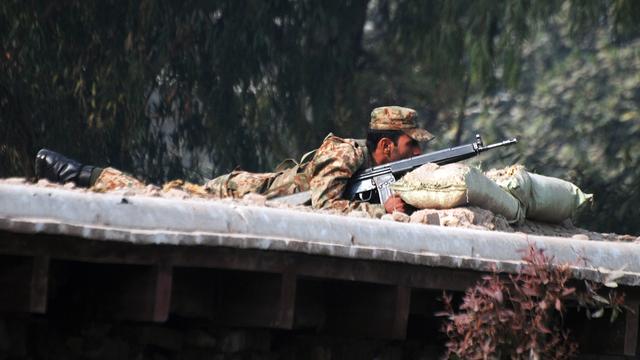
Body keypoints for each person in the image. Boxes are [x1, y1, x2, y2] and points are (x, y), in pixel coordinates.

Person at [35, 106, 434, 217]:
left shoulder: (376, 167)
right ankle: (83, 174)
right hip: (237, 194)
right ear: (385, 146)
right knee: (155, 198)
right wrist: (381, 213)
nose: (416, 154)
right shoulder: (343, 154)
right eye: (410, 145)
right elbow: (326, 204)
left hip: (259, 199)